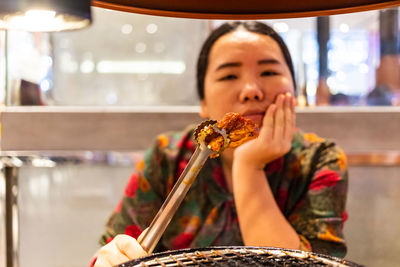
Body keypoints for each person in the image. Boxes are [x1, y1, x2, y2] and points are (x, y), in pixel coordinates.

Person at [92, 21, 348, 267]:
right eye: (229, 76)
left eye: (269, 72)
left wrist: (249, 165)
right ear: (203, 102)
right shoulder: (168, 157)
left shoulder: (319, 160)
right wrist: (113, 256)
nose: (251, 90)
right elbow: (113, 251)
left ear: (294, 89)